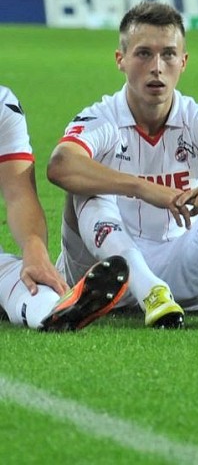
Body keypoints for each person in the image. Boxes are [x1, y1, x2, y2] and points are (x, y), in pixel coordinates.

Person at [47, 1, 198, 329]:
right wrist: (143, 189)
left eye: (168, 55)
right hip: (106, 278)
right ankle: (150, 291)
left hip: (185, 266)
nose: (157, 68)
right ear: (120, 60)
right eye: (144, 54)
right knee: (87, 195)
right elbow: (60, 165)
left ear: (184, 62)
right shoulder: (102, 118)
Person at [0, 84, 128, 331]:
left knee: (26, 280)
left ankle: (56, 311)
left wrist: (34, 248)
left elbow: (19, 194)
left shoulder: (3, 105)